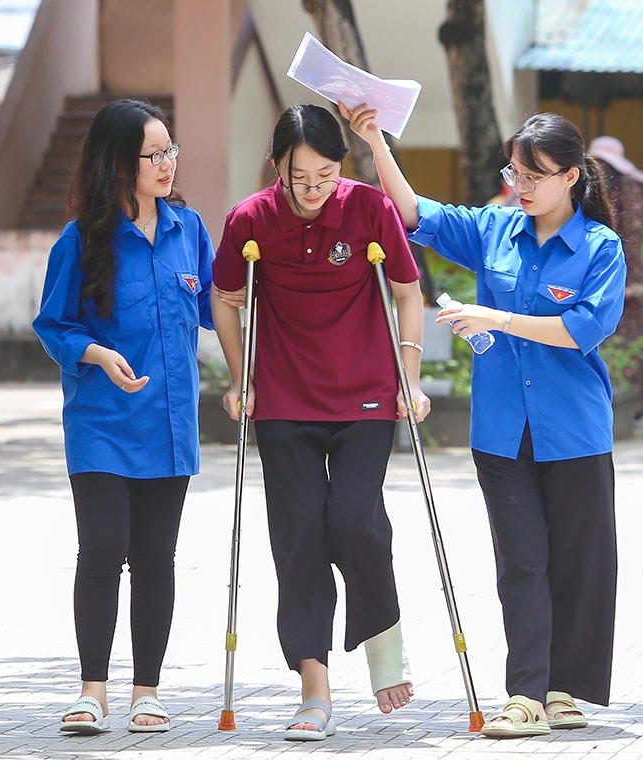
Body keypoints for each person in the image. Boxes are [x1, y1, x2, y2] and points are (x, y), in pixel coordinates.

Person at [343, 102, 626, 738]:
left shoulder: (600, 247)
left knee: (581, 561)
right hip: (501, 428)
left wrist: (494, 318)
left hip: (575, 427)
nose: (521, 187)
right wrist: (374, 141)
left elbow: (583, 327)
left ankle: (566, 690)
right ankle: (524, 694)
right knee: (521, 561)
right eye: (516, 173)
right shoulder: (494, 228)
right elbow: (415, 214)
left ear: (572, 176)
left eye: (535, 175)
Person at [209, 104, 428, 742]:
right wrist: (239, 377)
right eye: (300, 176)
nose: (313, 189)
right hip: (282, 398)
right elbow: (226, 297)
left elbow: (407, 292)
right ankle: (315, 690)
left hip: (364, 394)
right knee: (299, 534)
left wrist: (409, 380)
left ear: (342, 166)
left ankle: (383, 637)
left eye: (326, 174)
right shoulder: (252, 219)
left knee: (354, 518)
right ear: (279, 166)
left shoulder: (368, 209)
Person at [33, 99, 214, 734]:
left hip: (169, 424)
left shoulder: (188, 229)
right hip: (103, 422)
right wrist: (97, 353)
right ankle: (92, 692)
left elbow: (227, 309)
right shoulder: (81, 241)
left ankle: (147, 692)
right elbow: (53, 325)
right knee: (103, 548)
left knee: (156, 557)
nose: (167, 164)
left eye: (171, 151)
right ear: (119, 164)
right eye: (153, 154)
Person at [589, 136, 643, 416]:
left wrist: (629, 286)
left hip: (626, 275)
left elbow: (631, 238)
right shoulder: (597, 190)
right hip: (613, 274)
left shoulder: (627, 190)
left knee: (627, 341)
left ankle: (634, 408)